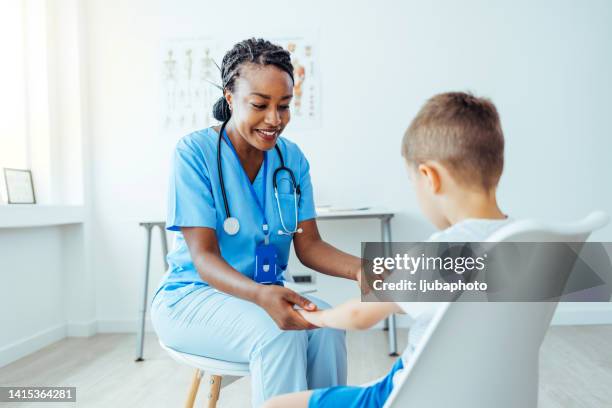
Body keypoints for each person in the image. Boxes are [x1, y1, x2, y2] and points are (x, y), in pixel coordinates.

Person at [263, 91, 512, 408]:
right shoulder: (530, 242)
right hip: (489, 395)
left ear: (429, 177)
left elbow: (358, 316)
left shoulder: (442, 254)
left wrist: (318, 318)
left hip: (409, 396)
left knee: (275, 406)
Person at [151, 38, 361, 407]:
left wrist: (363, 270)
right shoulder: (194, 153)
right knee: (279, 334)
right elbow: (203, 258)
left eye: (284, 106)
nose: (274, 120)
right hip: (193, 298)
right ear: (230, 99)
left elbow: (309, 245)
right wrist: (261, 295)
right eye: (260, 105)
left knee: (328, 327)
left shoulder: (291, 159)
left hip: (264, 294)